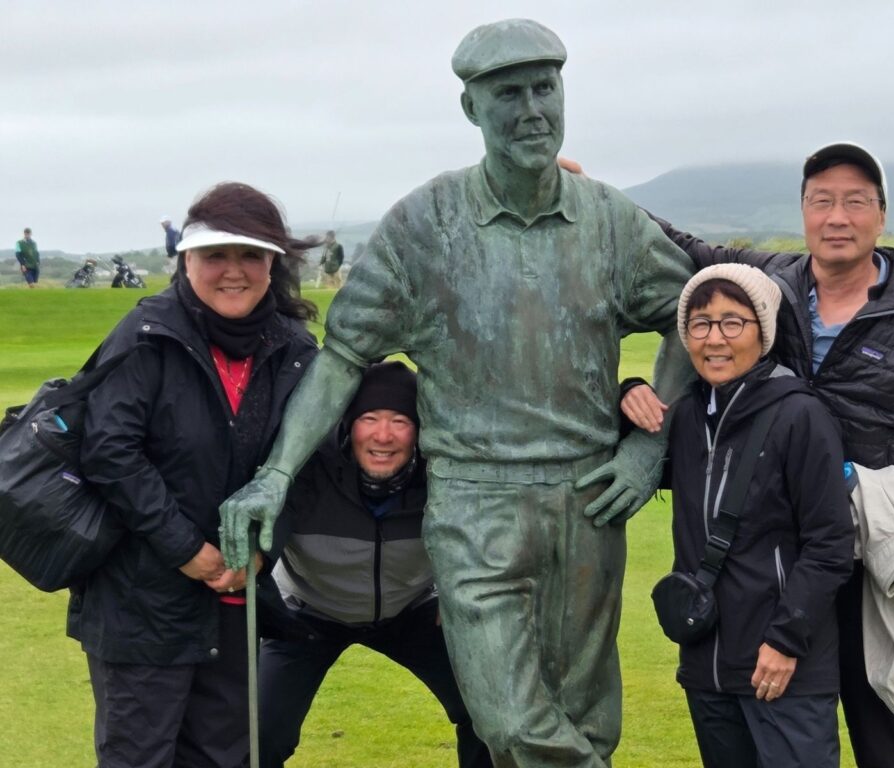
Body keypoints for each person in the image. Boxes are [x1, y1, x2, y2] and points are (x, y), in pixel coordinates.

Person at [221, 18, 696, 768]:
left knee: (585, 713)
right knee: (508, 720)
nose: (533, 110)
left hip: (588, 498)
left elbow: (695, 316)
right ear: (472, 109)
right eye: (509, 94)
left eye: (545, 88)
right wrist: (277, 475)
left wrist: (647, 447)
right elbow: (343, 357)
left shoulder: (608, 220)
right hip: (475, 502)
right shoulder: (424, 225)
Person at [621, 142, 894, 768]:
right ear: (803, 212)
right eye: (821, 201)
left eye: (855, 202)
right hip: (775, 558)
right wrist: (587, 192)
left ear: (881, 215)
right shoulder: (778, 283)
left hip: (871, 561)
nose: (837, 217)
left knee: (883, 739)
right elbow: (688, 249)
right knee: (786, 721)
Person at [69, 182, 319, 768]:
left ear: (272, 265)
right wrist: (190, 551)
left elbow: (302, 465)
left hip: (236, 600)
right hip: (141, 604)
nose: (233, 271)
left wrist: (260, 553)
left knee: (224, 758)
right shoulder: (147, 334)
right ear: (187, 260)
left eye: (250, 255)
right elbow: (110, 452)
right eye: (216, 256)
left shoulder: (294, 347)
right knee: (141, 758)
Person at [660, 263, 853, 767]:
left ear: (762, 331)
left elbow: (831, 543)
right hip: (707, 664)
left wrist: (786, 640)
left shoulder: (799, 415)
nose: (714, 339)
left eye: (732, 322)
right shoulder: (684, 418)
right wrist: (627, 390)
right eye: (700, 324)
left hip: (782, 667)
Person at [258, 361, 491, 768]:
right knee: (258, 737)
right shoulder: (307, 468)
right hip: (309, 613)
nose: (383, 435)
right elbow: (264, 544)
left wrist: (457, 590)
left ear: (419, 430)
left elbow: (484, 535)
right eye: (369, 418)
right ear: (348, 425)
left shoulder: (444, 472)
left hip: (413, 608)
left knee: (489, 717)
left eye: (400, 421)